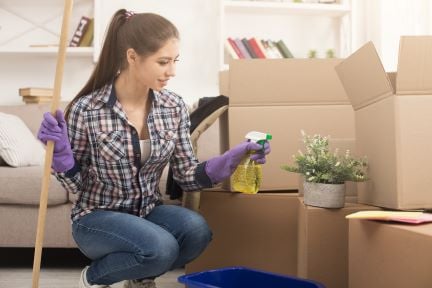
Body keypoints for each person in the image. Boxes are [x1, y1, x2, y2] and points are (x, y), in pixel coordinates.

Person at [37, 9, 271, 288]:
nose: (172, 71)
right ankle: (93, 278)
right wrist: (62, 157)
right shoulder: (87, 109)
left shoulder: (173, 107)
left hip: (147, 211)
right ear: (132, 56)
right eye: (163, 62)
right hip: (96, 217)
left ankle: (138, 277)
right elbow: (76, 186)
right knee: (161, 248)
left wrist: (230, 159)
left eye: (175, 61)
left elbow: (186, 175)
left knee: (197, 231)